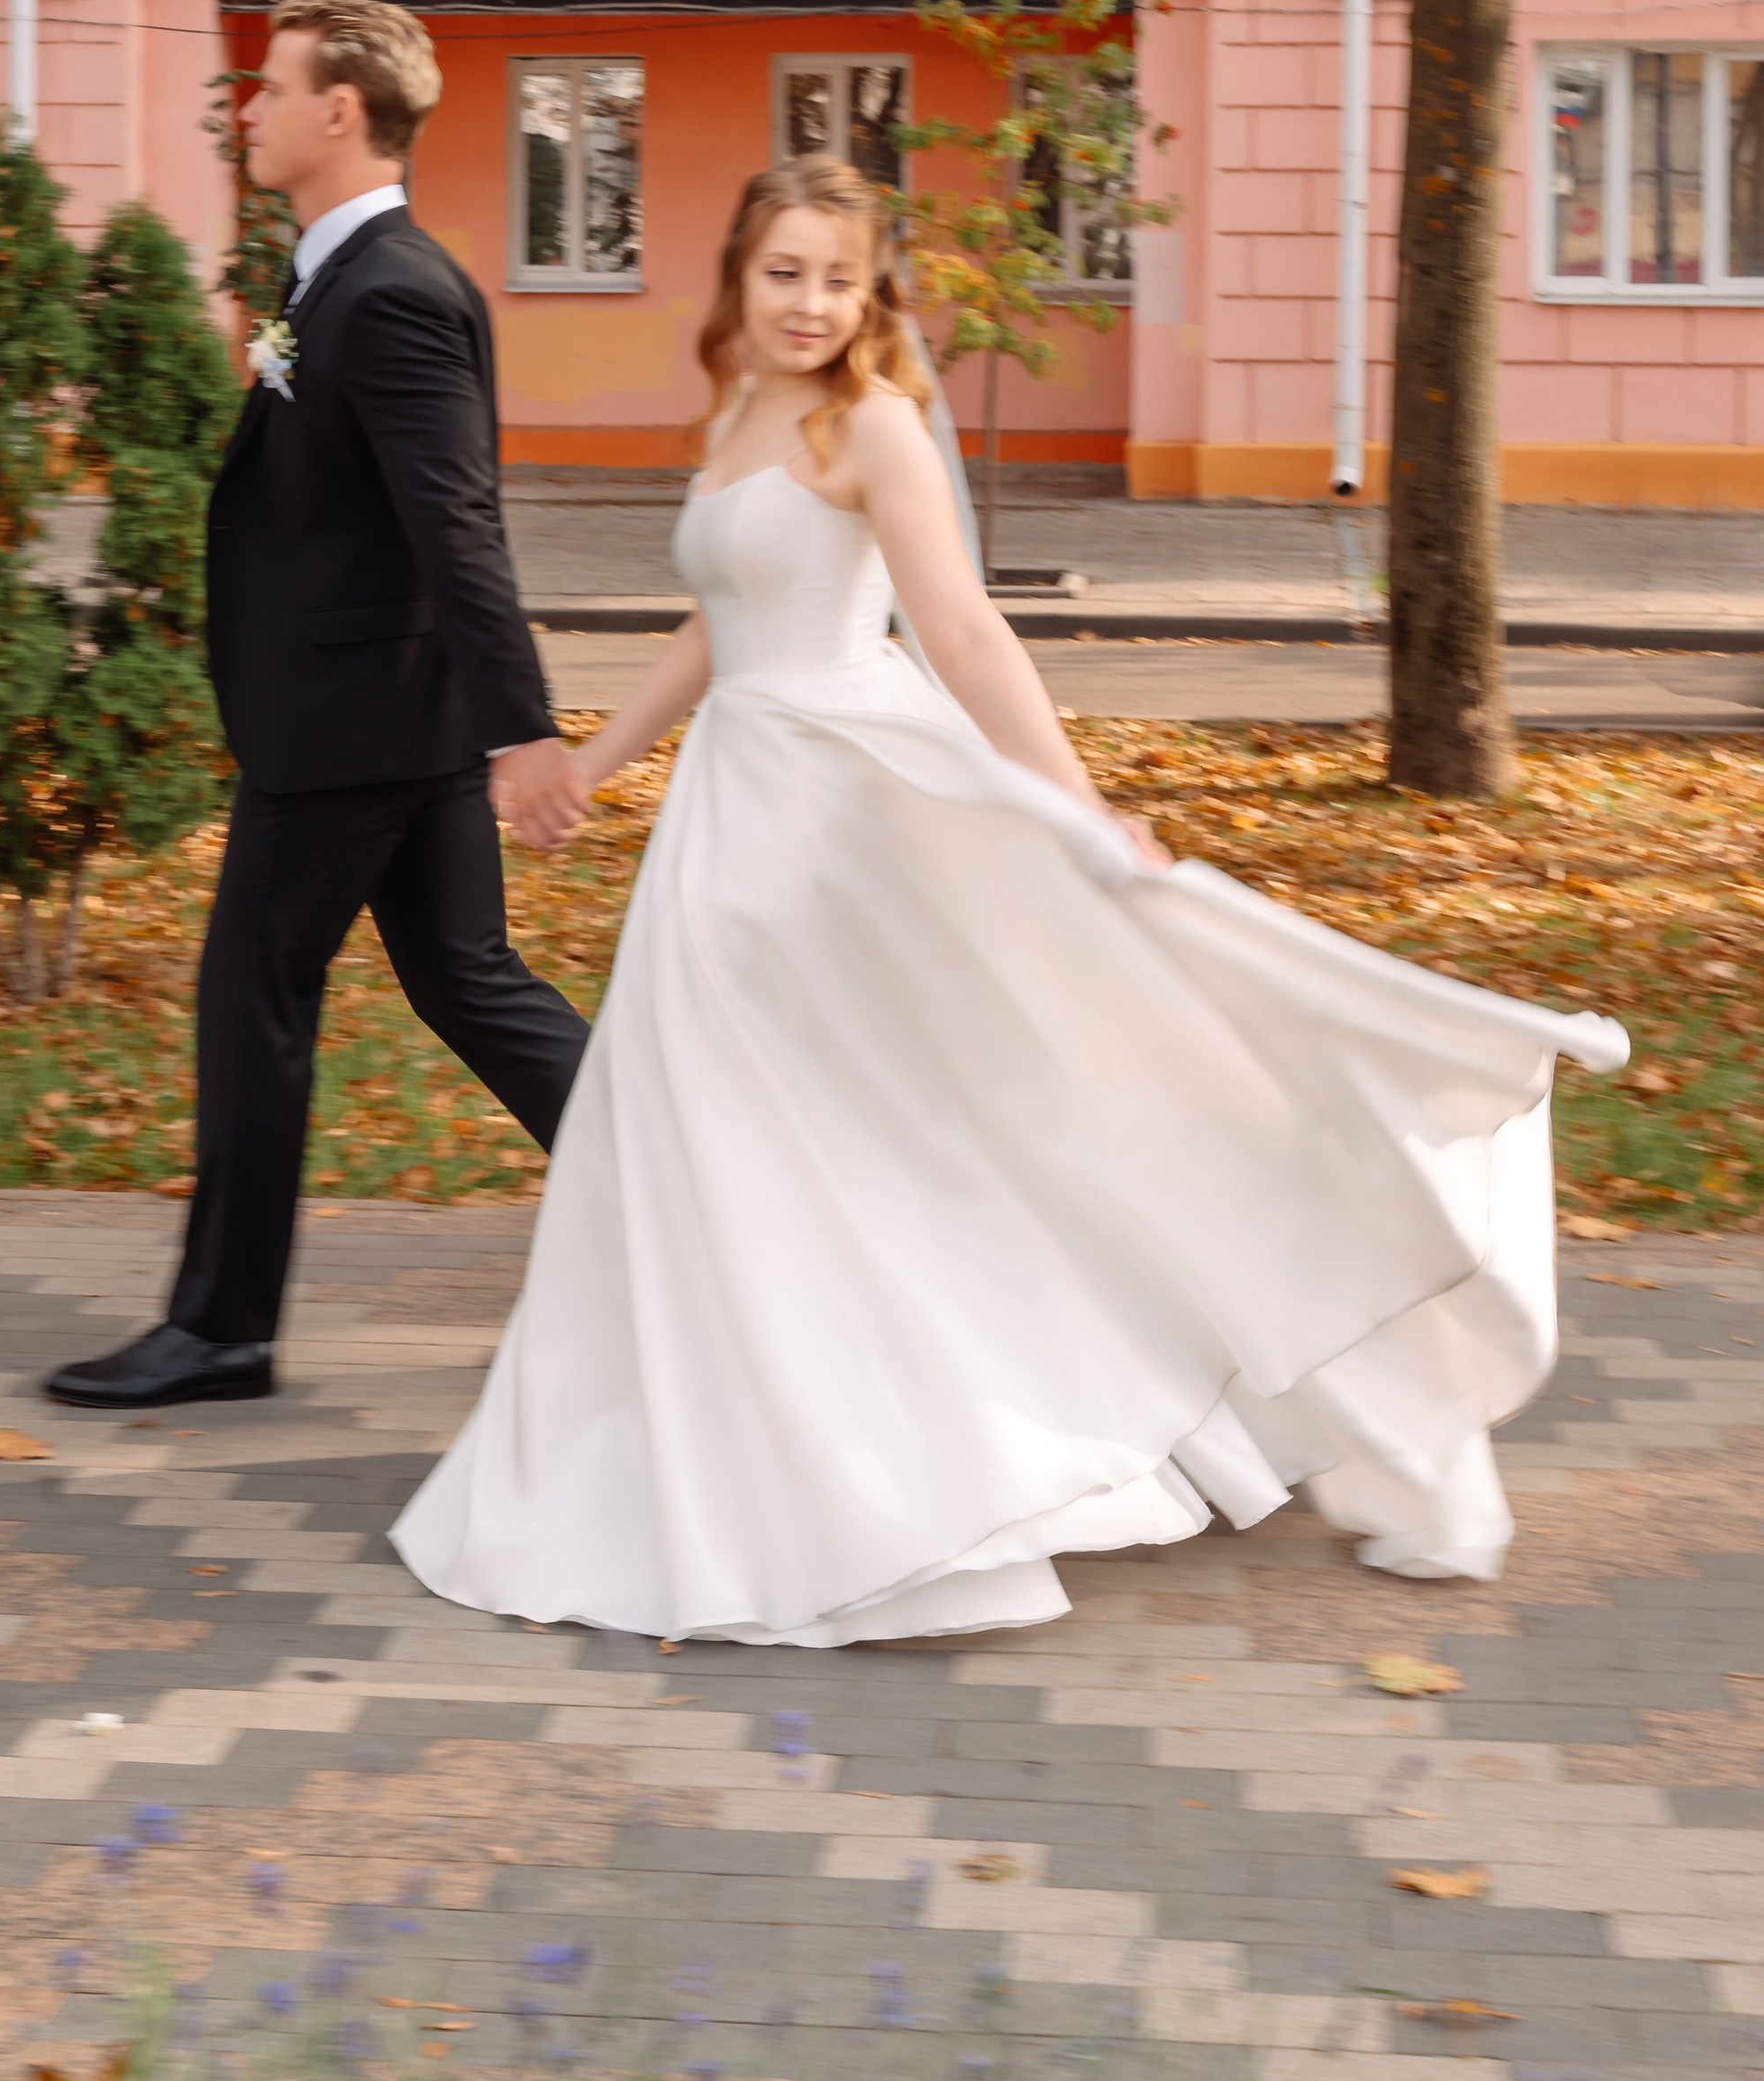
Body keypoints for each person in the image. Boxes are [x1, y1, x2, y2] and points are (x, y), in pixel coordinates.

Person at [393, 154, 1627, 1644]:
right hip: (731, 815)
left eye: (839, 278)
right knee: (723, 1126)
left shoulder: (873, 423)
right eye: (784, 273)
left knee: (894, 1118)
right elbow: (717, 620)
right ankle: (748, 1441)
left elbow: (967, 634)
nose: (810, 303)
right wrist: (598, 759)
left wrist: (1078, 810)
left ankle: (944, 1443)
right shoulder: (739, 412)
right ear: (740, 278)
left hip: (843, 810)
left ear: (873, 292)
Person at [46, 0, 590, 1414]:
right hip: (390, 711)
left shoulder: (389, 291)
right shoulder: (341, 276)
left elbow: (455, 522)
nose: (249, 110)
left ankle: (220, 1328)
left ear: (339, 110)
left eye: (271, 87)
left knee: (255, 993)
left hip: (354, 726)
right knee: (471, 983)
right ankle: (704, 1202)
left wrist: (524, 726)